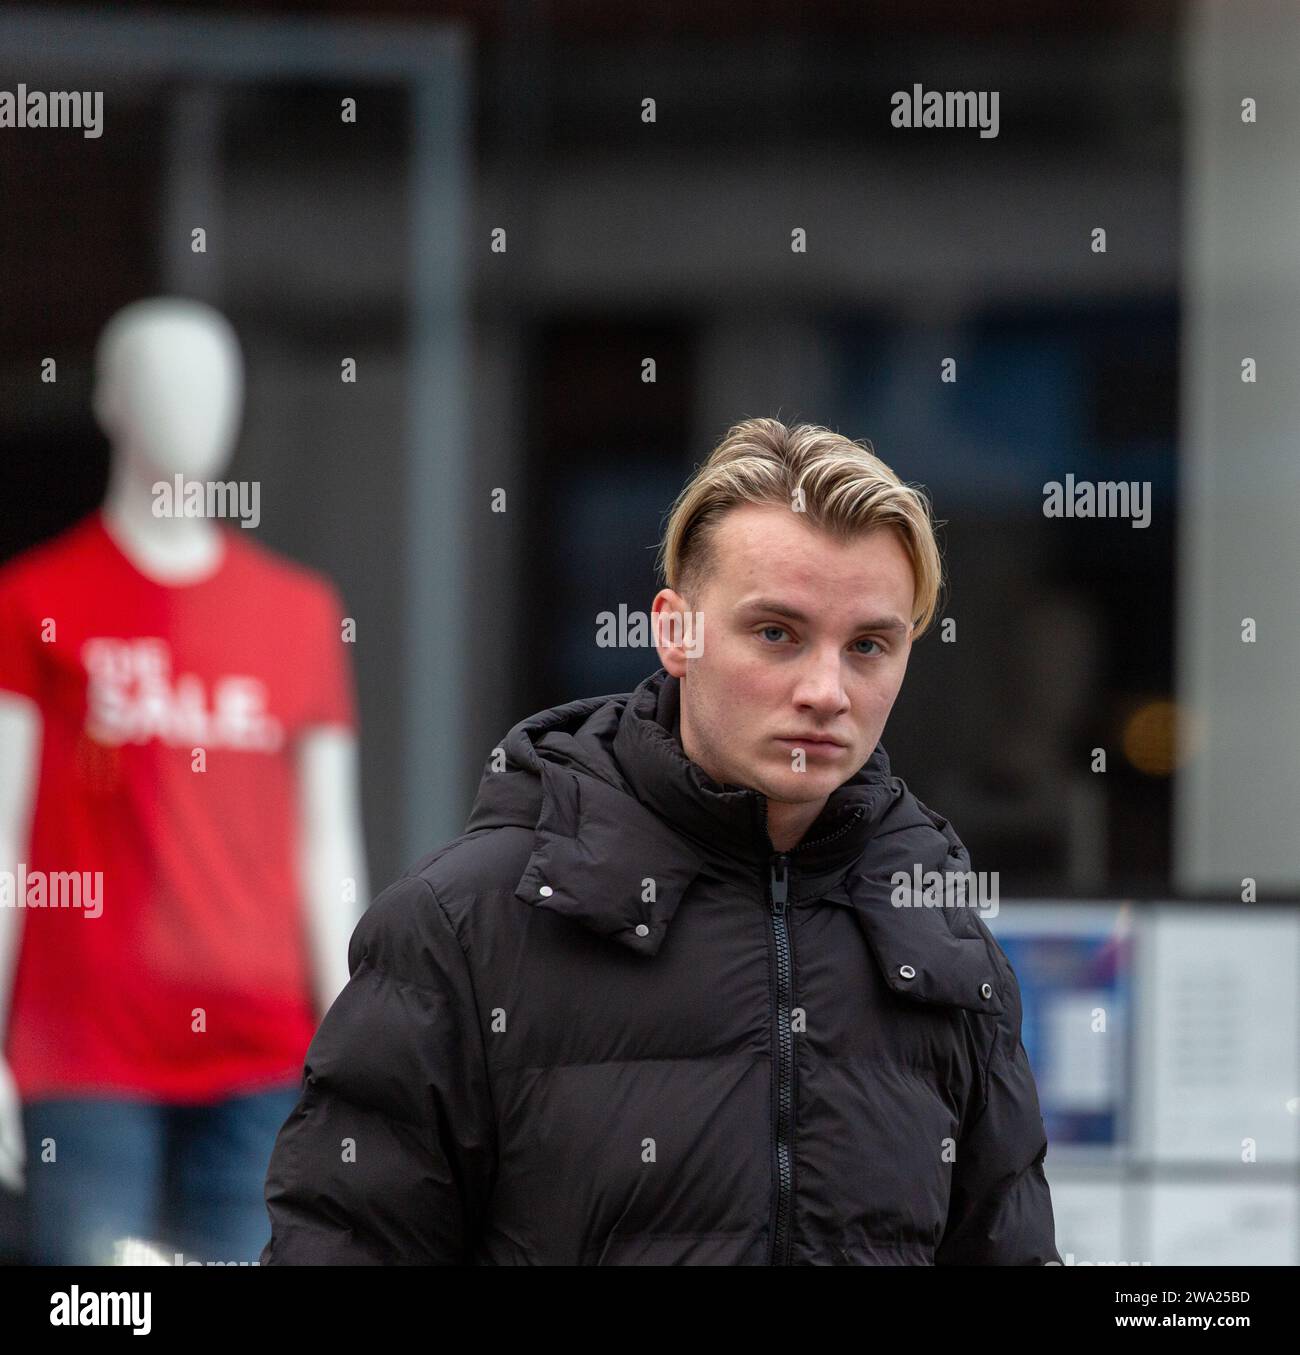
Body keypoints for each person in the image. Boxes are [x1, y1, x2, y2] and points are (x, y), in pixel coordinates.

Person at [261, 416, 1061, 1266]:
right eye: (777, 634)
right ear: (675, 632)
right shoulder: (463, 927)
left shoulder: (940, 938)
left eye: (868, 644)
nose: (827, 690)